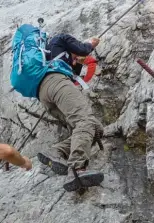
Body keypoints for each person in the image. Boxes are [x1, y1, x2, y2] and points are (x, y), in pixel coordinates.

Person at [35, 33, 105, 192]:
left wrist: (77, 61)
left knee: (95, 128)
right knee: (85, 121)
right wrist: (90, 44)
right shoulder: (61, 38)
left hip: (44, 94)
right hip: (57, 83)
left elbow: (74, 75)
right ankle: (77, 169)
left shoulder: (51, 56)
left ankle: (56, 151)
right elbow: (82, 49)